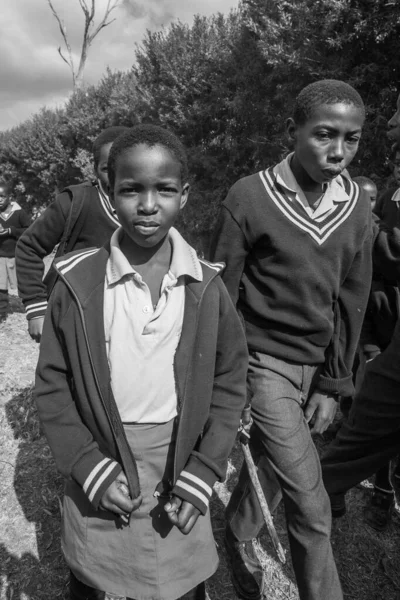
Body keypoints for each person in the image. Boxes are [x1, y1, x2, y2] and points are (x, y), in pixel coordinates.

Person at [34, 124, 248, 600]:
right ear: (109, 195)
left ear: (185, 195)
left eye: (164, 190)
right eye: (131, 189)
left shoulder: (207, 286)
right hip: (103, 462)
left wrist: (203, 473)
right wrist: (89, 466)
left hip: (180, 468)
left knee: (182, 587)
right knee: (90, 580)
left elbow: (231, 383)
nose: (148, 205)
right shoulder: (75, 284)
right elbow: (52, 385)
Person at [210, 79, 372, 600]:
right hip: (264, 364)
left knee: (275, 465)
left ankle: (235, 534)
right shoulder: (250, 196)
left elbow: (352, 299)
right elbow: (222, 294)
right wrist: (227, 380)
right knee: (311, 499)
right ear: (292, 131)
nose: (338, 152)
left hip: (315, 367)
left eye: (352, 139)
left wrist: (333, 382)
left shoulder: (357, 208)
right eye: (324, 135)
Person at [324, 143, 400, 530]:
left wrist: (357, 216)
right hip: (379, 343)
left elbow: (390, 251)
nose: (389, 127)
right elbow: (367, 286)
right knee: (365, 416)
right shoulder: (391, 196)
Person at [16, 125, 129, 343]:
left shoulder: (148, 209)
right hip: (74, 315)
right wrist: (36, 308)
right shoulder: (75, 203)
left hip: (126, 319)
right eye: (108, 168)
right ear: (95, 169)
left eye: (127, 166)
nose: (118, 175)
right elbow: (29, 246)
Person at [0, 181, 30, 322]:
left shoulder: (19, 213)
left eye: (2, 196)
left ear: (9, 197)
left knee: (23, 284)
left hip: (16, 255)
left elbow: (29, 230)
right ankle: (2, 312)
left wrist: (11, 231)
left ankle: (33, 306)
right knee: (1, 287)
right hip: (0, 256)